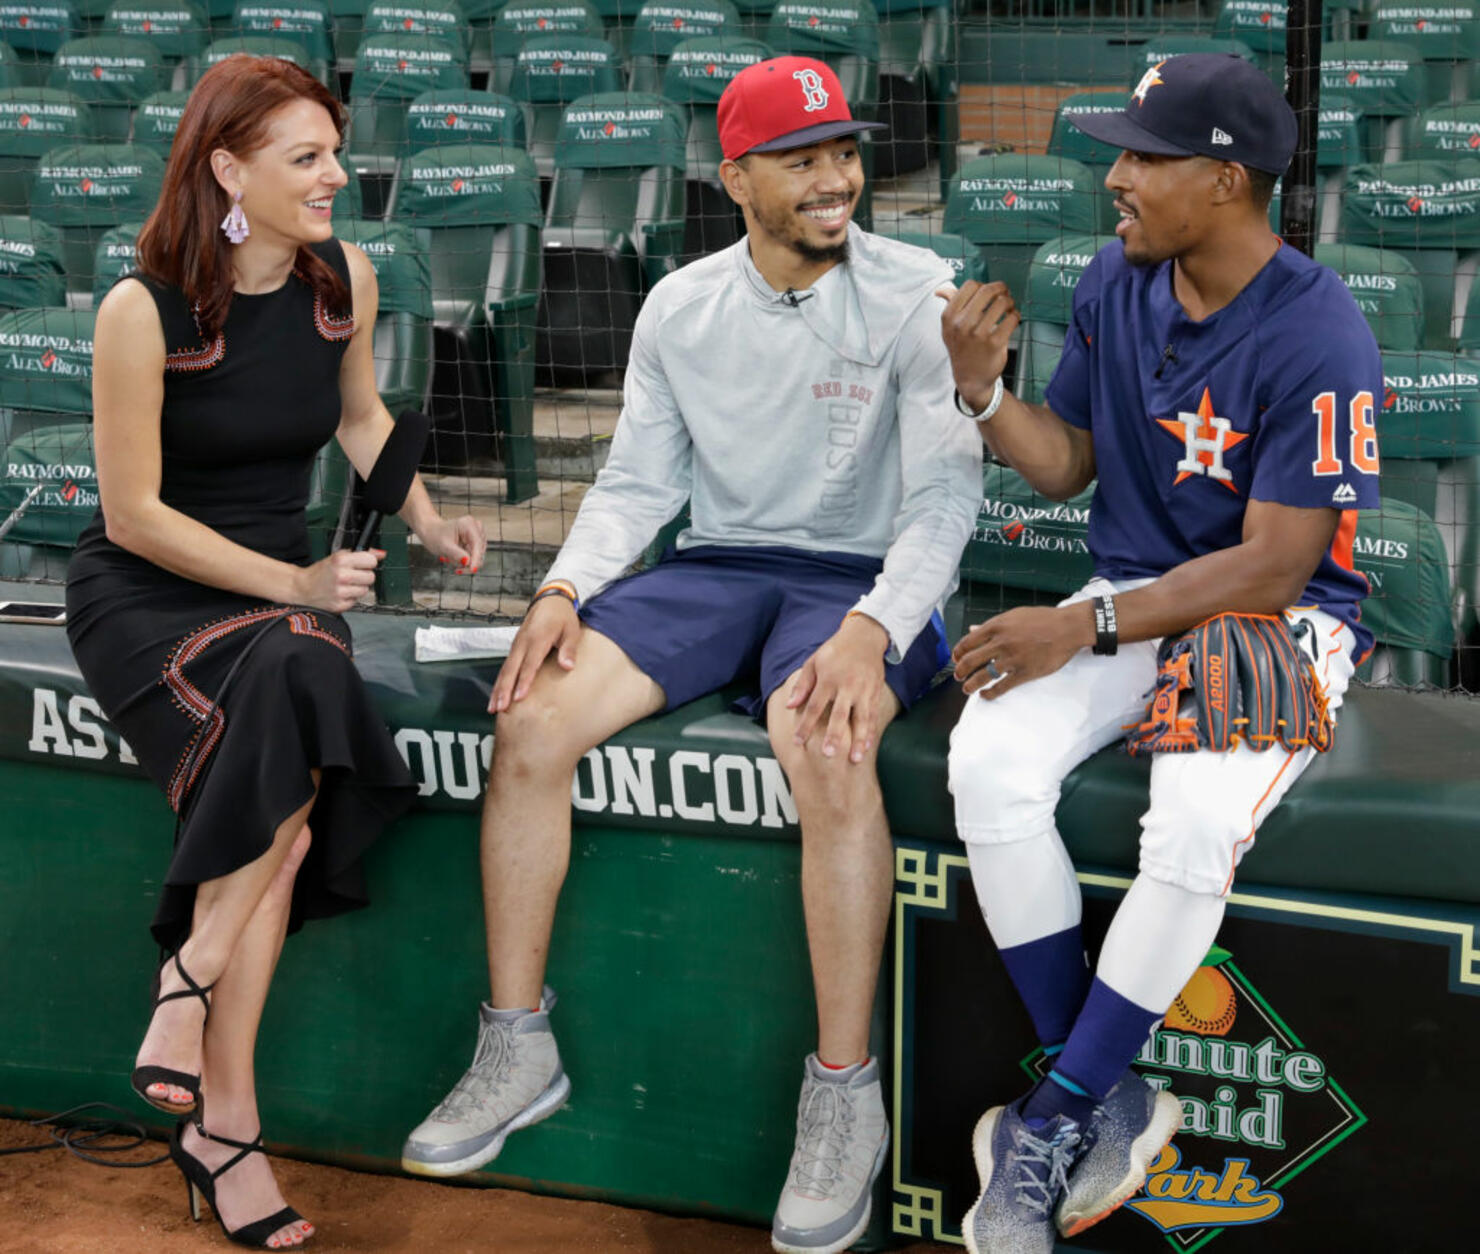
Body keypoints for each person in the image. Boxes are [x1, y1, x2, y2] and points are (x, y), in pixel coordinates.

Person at [401, 55, 982, 1254]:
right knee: (530, 715)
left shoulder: (923, 290)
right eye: (800, 160)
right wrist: (565, 585)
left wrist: (874, 632)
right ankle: (516, 1043)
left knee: (821, 740)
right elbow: (638, 480)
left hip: (866, 582)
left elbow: (943, 506)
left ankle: (842, 1093)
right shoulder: (679, 304)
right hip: (717, 565)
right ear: (735, 180)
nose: (834, 180)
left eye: (843, 154)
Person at [937, 54, 1381, 1253]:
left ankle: (1048, 1117)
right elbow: (1065, 462)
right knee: (987, 765)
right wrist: (982, 396)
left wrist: (1077, 625)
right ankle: (1108, 1093)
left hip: (1270, 619)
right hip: (1130, 597)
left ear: (1225, 180)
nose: (1115, 179)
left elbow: (1278, 564)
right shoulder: (1111, 279)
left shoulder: (1320, 331)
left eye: (1141, 158)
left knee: (1190, 823)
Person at [64, 56, 485, 1251]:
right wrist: (298, 582)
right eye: (306, 157)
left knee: (300, 684)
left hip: (277, 609)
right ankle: (226, 1114)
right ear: (226, 171)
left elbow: (362, 420)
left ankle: (194, 1008)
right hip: (148, 599)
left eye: (334, 151)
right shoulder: (136, 309)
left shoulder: (340, 277)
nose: (336, 177)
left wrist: (428, 515)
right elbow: (136, 515)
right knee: (296, 728)